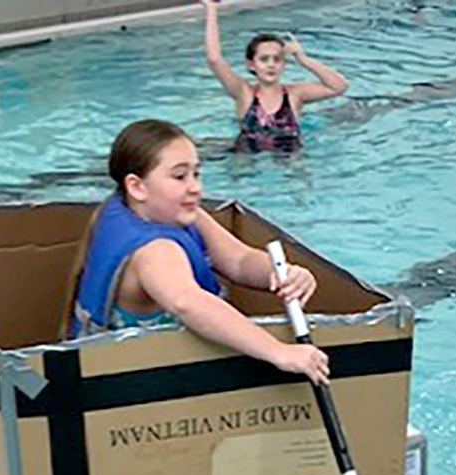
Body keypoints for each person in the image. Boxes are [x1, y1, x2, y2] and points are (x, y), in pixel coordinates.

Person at [70, 119, 329, 384]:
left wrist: (282, 274)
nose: (195, 187)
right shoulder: (155, 252)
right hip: (134, 379)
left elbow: (239, 260)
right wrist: (279, 352)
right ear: (136, 187)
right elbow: (188, 304)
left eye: (196, 173)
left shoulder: (160, 213)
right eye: (180, 176)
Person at [203, 0, 349, 153]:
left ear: (284, 64)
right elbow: (214, 59)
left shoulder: (295, 94)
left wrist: (303, 59)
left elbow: (339, 86)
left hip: (289, 155)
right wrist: (211, 8)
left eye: (277, 59)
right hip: (246, 155)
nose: (271, 65)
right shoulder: (243, 93)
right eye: (264, 59)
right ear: (251, 64)